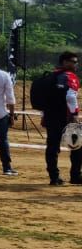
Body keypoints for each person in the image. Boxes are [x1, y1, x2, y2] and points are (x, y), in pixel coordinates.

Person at [41, 49, 81, 187]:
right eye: (73, 62)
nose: (76, 64)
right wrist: (74, 115)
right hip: (66, 118)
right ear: (65, 62)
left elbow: (44, 99)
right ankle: (75, 175)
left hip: (50, 116)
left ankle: (54, 177)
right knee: (77, 145)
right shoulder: (70, 76)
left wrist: (44, 115)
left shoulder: (50, 76)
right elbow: (70, 97)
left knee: (52, 147)